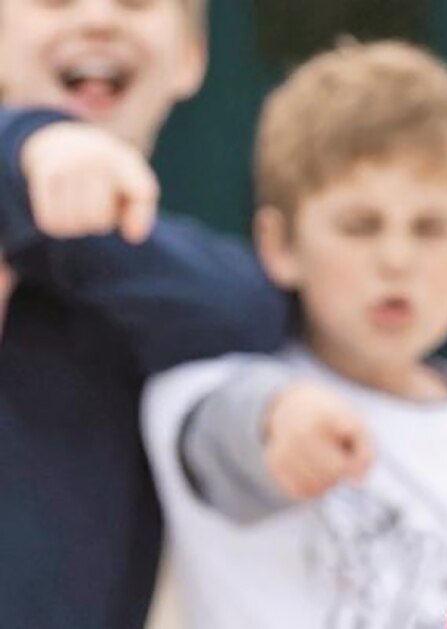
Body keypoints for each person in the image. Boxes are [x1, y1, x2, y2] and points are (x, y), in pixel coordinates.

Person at [142, 40, 447, 629]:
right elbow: (218, 434)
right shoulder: (208, 385)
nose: (396, 258)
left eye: (430, 228)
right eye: (360, 226)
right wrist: (273, 419)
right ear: (280, 245)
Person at [0, 1, 288, 627]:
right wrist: (32, 143)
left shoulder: (196, 279)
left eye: (136, 0)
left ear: (191, 58)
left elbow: (244, 308)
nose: (99, 17)